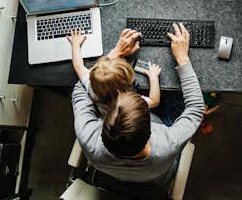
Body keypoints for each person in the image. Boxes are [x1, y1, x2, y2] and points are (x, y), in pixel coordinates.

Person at [71, 23, 205, 185]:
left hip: (113, 178)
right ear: (150, 129)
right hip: (158, 181)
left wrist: (114, 55)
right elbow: (196, 109)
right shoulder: (168, 143)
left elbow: (81, 88)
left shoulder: (87, 136)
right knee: (175, 99)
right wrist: (182, 58)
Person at [67, 28, 162, 114]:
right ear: (129, 83)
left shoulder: (91, 86)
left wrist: (75, 45)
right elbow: (154, 101)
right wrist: (153, 78)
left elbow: (78, 66)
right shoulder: (130, 102)